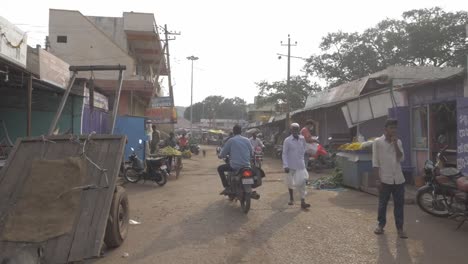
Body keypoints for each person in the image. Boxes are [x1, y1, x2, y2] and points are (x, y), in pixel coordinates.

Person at [372, 118, 407, 239]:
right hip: (385, 179)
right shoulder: (378, 142)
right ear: (385, 129)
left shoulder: (399, 142)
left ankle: (400, 229)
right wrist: (377, 180)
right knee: (382, 204)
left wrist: (396, 144)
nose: (393, 130)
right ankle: (380, 225)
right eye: (391, 127)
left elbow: (401, 158)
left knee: (399, 205)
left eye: (395, 128)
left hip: (398, 179)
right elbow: (375, 162)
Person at [217, 125, 253, 195]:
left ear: (233, 132)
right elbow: (251, 152)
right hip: (246, 165)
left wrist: (220, 156)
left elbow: (223, 153)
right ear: (241, 131)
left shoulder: (231, 140)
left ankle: (227, 187)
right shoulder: (247, 140)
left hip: (235, 166)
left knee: (220, 168)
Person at [282, 123, 310, 209]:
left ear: (298, 130)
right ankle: (291, 198)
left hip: (301, 165)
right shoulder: (287, 140)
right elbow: (284, 153)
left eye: (296, 129)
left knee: (302, 183)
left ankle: (303, 201)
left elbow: (305, 148)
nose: (295, 131)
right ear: (291, 130)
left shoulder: (302, 138)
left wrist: (301, 156)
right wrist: (285, 165)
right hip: (290, 166)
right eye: (293, 129)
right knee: (290, 183)